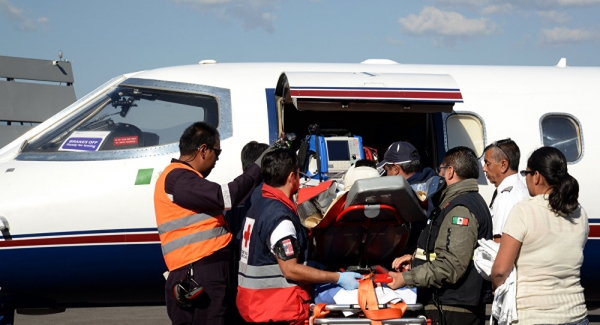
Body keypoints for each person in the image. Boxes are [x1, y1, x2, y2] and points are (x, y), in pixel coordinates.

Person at [154, 122, 264, 325]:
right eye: (217, 152)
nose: (217, 159)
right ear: (203, 150)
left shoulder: (184, 179)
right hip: (199, 274)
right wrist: (258, 167)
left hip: (204, 273)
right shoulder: (178, 178)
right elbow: (225, 197)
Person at [236, 148, 362, 325]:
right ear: (291, 177)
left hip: (254, 305)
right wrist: (337, 277)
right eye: (298, 174)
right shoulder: (280, 218)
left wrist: (309, 265)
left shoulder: (259, 206)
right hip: (276, 309)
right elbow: (290, 270)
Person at [388, 146, 493, 325]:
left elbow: (452, 264)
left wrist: (406, 279)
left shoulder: (460, 209)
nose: (438, 175)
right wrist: (415, 261)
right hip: (449, 307)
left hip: (452, 310)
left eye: (441, 170)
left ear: (450, 172)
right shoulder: (458, 202)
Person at [491, 147, 588, 325]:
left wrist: (496, 287)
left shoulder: (524, 210)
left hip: (533, 316)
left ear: (536, 176)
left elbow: (500, 270)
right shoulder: (579, 212)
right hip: (577, 315)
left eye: (526, 173)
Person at [482, 139, 529, 243]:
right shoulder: (521, 189)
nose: (483, 168)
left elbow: (499, 243)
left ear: (503, 165)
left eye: (487, 163)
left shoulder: (506, 198)